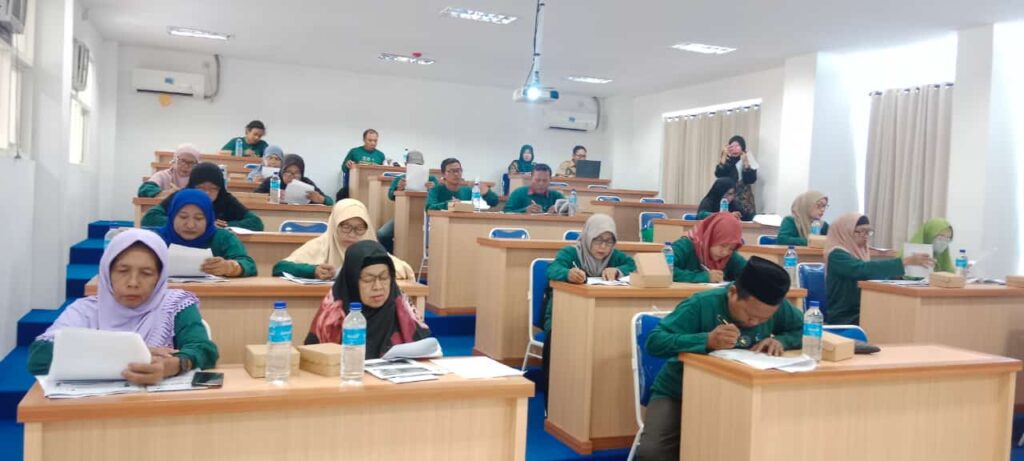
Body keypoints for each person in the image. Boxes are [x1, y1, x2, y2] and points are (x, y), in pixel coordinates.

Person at [635, 256, 802, 461]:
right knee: (652, 453)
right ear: (732, 293)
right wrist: (706, 340)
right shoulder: (701, 304)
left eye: (764, 319)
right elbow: (655, 341)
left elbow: (807, 330)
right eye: (750, 315)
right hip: (680, 390)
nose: (755, 322)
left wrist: (782, 341)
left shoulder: (775, 307)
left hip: (740, 394)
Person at [26, 229, 219, 381]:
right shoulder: (86, 310)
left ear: (160, 277)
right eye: (123, 271)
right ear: (107, 273)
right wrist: (131, 353)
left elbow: (204, 349)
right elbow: (39, 358)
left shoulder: (174, 304)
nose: (133, 282)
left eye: (146, 273)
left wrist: (174, 365)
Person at [540, 214, 636, 405]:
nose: (603, 247)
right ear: (588, 237)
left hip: (599, 320)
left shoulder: (615, 257)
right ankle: (553, 399)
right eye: (598, 240)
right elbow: (551, 270)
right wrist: (567, 273)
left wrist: (618, 271)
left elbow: (633, 265)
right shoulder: (571, 253)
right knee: (557, 340)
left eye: (609, 241)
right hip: (563, 317)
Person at [304, 240, 431, 358]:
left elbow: (428, 351)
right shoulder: (332, 315)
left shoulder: (401, 308)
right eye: (368, 279)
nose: (378, 287)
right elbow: (313, 362)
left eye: (384, 278)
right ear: (352, 281)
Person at [825, 213, 934, 325]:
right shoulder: (836, 254)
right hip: (845, 316)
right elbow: (861, 270)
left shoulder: (861, 253)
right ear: (845, 232)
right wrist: (903, 262)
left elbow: (875, 275)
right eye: (860, 231)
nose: (865, 236)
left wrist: (912, 279)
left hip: (864, 310)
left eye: (868, 232)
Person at [272, 199, 416, 280]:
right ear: (334, 225)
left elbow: (404, 270)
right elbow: (280, 267)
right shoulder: (321, 244)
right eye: (346, 227)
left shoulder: (370, 247)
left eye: (359, 228)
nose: (352, 234)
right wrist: (313, 270)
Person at [156, 189, 257, 277]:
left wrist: (229, 267)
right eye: (183, 217)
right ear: (172, 217)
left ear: (208, 219)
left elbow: (248, 264)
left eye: (198, 218)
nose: (190, 225)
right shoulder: (157, 239)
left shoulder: (222, 238)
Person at [141, 162, 264, 231]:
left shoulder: (225, 198)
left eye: (213, 189)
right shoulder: (181, 196)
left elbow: (256, 223)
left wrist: (227, 226)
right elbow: (149, 218)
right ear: (192, 186)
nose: (207, 193)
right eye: (201, 188)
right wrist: (182, 222)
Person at [377, 151, 439, 252]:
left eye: (419, 165)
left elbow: (438, 196)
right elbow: (390, 196)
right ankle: (391, 255)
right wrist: (398, 189)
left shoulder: (431, 179)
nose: (416, 168)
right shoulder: (399, 179)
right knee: (382, 234)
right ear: (406, 164)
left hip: (426, 216)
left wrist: (433, 188)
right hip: (402, 215)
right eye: (413, 165)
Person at [671, 212, 747, 282]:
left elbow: (749, 273)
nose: (725, 252)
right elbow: (666, 270)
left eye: (731, 249)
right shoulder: (685, 246)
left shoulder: (729, 256)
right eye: (722, 245)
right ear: (711, 237)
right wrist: (704, 277)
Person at [253, 154, 333, 205]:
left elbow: (331, 202)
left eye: (297, 173)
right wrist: (271, 197)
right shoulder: (273, 180)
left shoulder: (306, 183)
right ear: (282, 171)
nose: (292, 176)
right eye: (288, 172)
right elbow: (253, 197)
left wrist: (322, 200)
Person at [425, 158, 499, 210]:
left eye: (458, 170)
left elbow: (494, 202)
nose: (456, 174)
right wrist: (448, 204)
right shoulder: (436, 190)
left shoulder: (468, 191)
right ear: (443, 174)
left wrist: (486, 192)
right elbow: (429, 208)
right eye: (451, 171)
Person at [715, 135, 758, 218]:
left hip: (744, 200)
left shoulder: (748, 158)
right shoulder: (727, 160)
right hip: (728, 198)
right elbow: (718, 175)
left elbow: (751, 180)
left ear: (742, 147)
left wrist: (746, 163)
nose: (734, 148)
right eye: (732, 146)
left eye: (737, 146)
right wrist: (723, 157)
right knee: (727, 220)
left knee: (746, 221)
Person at [337, 129, 385, 200]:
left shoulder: (380, 155)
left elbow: (383, 173)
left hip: (373, 187)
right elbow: (344, 168)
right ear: (364, 140)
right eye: (370, 140)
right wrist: (347, 165)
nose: (373, 143)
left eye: (375, 141)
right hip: (355, 185)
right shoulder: (354, 152)